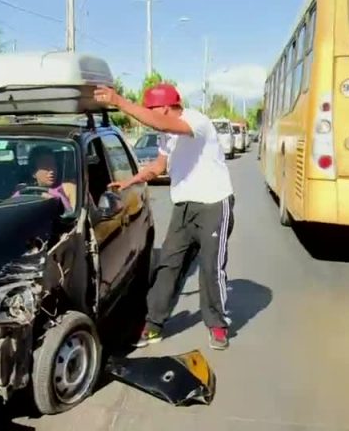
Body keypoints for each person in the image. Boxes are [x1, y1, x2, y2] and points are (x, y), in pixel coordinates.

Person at [94, 83, 235, 350]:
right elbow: (159, 166)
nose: (149, 116)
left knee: (211, 267)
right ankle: (153, 325)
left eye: (152, 110)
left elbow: (162, 125)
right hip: (184, 206)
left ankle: (217, 325)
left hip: (214, 204)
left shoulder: (196, 121)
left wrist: (119, 101)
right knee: (169, 264)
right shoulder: (165, 135)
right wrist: (130, 182)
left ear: (167, 107)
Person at [13, 145, 75, 212]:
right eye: (46, 166)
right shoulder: (23, 192)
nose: (52, 171)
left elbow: (75, 218)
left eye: (53, 165)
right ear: (34, 172)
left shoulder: (67, 188)